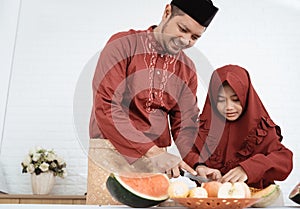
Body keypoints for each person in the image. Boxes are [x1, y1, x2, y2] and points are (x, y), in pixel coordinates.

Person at [87, 0, 218, 205]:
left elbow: (186, 125)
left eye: (195, 37)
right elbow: (106, 106)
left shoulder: (187, 69)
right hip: (110, 152)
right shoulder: (123, 45)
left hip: (157, 162)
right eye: (182, 29)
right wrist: (153, 152)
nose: (185, 40)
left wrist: (198, 164)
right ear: (167, 12)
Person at [184, 64, 293, 190]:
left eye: (236, 99)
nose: (229, 107)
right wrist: (199, 165)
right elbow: (188, 152)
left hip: (257, 202)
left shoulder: (261, 129)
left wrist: (248, 169)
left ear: (246, 96)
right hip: (213, 202)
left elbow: (284, 159)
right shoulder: (204, 129)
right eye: (221, 100)